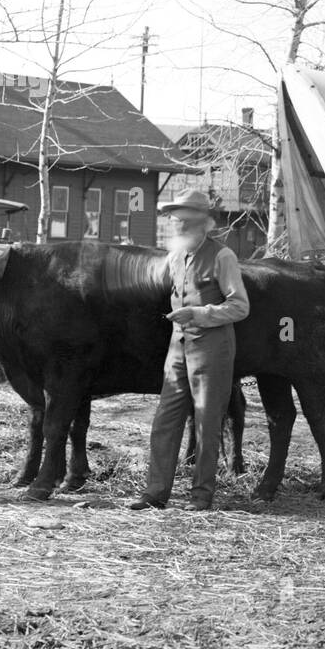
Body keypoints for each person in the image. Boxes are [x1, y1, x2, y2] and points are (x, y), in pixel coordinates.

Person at [131, 190, 249, 512]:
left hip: (212, 349)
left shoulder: (223, 256)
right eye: (175, 218)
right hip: (178, 347)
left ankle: (201, 495)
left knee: (206, 423)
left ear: (201, 222)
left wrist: (199, 314)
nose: (177, 224)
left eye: (183, 218)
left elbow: (240, 306)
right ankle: (155, 493)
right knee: (165, 420)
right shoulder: (175, 256)